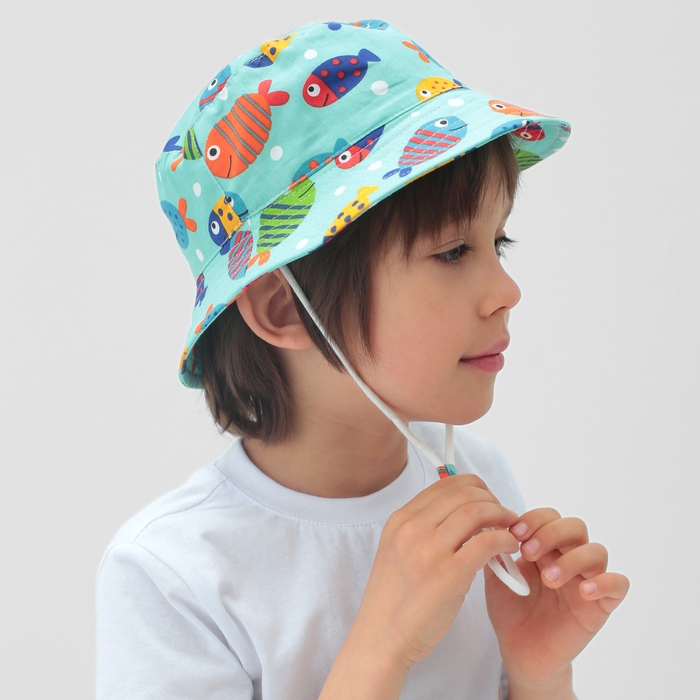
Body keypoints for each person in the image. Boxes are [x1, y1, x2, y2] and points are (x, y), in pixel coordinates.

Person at [96, 18, 630, 700]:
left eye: (498, 243)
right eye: (452, 252)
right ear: (285, 310)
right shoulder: (172, 573)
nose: (506, 291)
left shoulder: (478, 480)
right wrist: (384, 645)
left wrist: (539, 673)